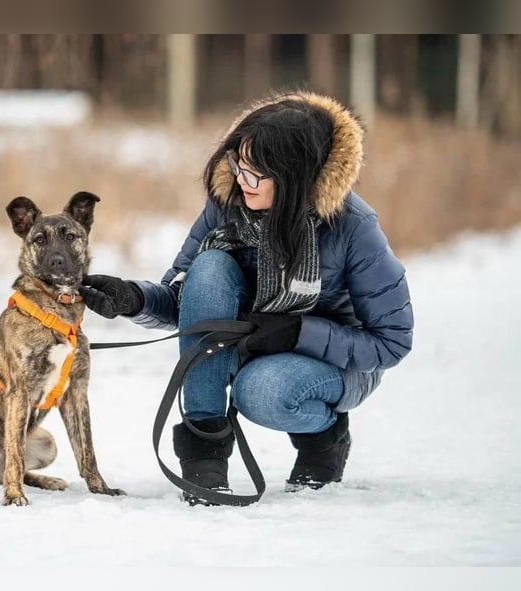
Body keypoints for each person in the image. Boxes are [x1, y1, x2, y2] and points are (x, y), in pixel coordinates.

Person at [78, 90, 414, 503]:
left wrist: (298, 332)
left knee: (262, 391)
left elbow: (392, 341)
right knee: (209, 266)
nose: (241, 180)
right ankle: (204, 454)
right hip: (249, 345)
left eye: (256, 173)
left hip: (335, 364)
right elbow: (189, 302)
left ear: (294, 176)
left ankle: (324, 438)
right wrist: (133, 299)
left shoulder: (352, 227)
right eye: (238, 164)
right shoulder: (227, 205)